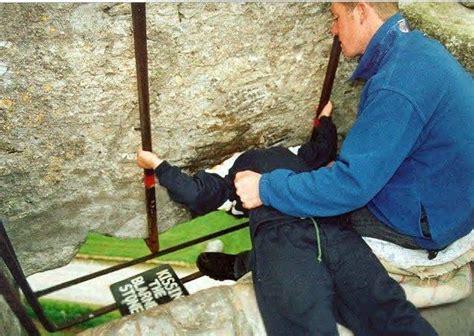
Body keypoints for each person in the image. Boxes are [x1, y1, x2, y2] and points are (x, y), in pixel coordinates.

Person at [137, 102, 436, 335]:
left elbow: (321, 149)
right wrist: (159, 167)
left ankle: (243, 264)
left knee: (387, 309)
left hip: (332, 226)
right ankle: (241, 264)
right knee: (306, 322)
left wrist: (325, 120)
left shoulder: (298, 157)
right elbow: (196, 193)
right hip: (284, 236)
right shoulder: (232, 179)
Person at [234, 2, 473, 256]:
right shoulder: (418, 50)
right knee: (307, 186)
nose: (333, 29)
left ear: (361, 11)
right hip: (449, 199)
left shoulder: (394, 86)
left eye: (336, 18)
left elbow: (351, 187)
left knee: (298, 211)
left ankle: (247, 267)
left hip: (427, 222)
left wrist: (265, 189)